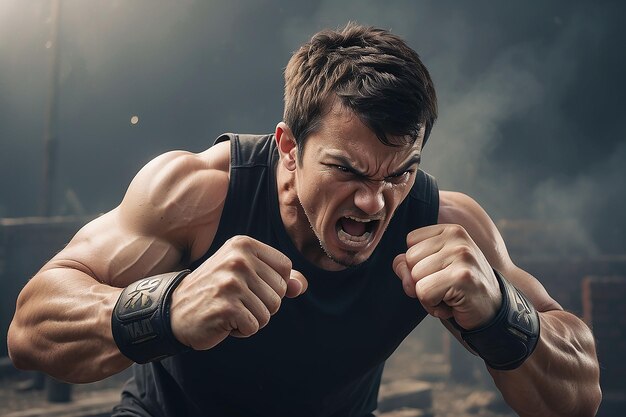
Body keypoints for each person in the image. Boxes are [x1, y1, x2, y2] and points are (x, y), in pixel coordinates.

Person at [8, 23, 601, 417]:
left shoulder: (442, 223)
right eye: (347, 170)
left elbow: (578, 395)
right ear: (289, 147)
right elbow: (31, 330)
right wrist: (166, 308)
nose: (373, 203)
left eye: (398, 172)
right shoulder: (200, 193)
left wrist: (502, 316)